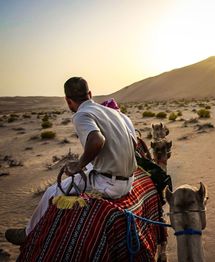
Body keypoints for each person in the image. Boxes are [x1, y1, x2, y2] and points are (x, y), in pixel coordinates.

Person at [5, 77, 138, 245]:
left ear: (68, 101)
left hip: (109, 185)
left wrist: (78, 164)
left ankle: (27, 234)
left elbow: (97, 140)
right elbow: (134, 143)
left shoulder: (81, 114)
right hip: (129, 181)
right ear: (90, 94)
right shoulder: (116, 113)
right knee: (91, 168)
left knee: (51, 192)